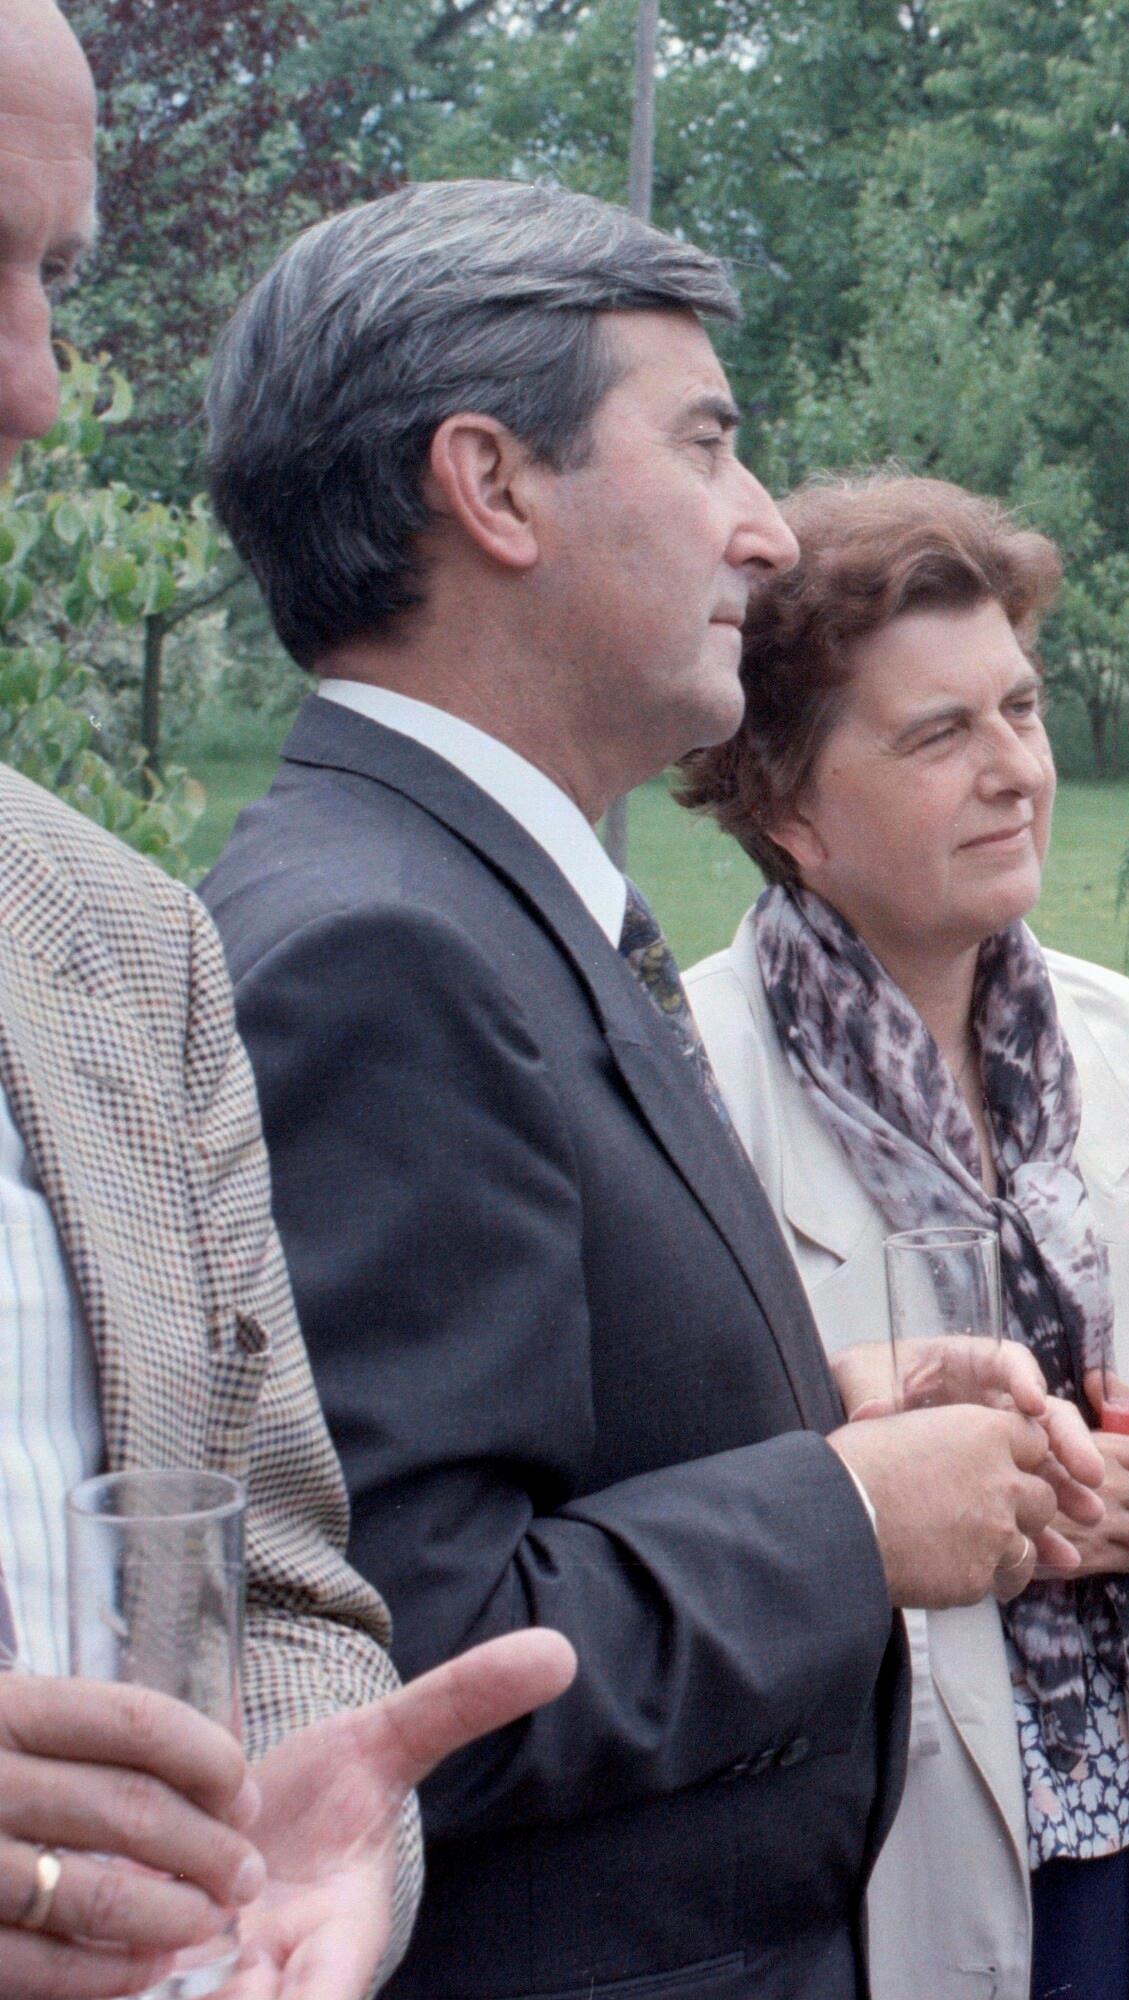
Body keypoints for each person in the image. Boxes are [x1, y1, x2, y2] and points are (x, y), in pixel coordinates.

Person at [198, 182, 1102, 2000]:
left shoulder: (472, 893)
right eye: (704, 444)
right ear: (494, 486)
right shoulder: (379, 951)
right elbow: (395, 1654)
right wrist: (849, 1511)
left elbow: (492, 1433)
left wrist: (804, 1402)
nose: (762, 528)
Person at [2, 12, 573, 1998]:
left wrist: (322, 1830)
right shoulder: (354, 936)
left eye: (53, 279)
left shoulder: (116, 939)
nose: (36, 389)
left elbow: (284, 1574)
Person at [674, 471, 1129, 2000]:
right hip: (860, 1877)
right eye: (938, 735)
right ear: (784, 803)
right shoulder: (684, 1087)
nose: (1015, 769)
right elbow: (669, 1533)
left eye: (1020, 709)